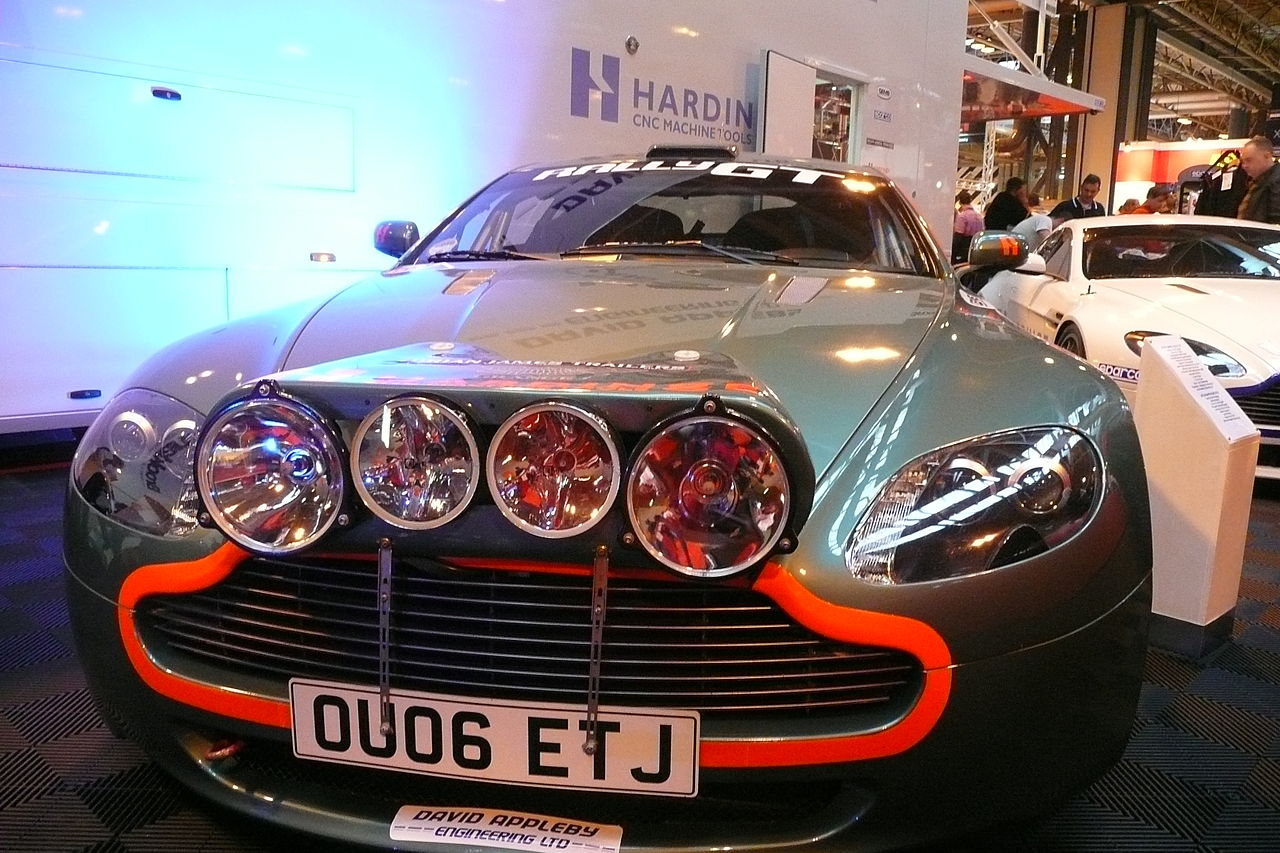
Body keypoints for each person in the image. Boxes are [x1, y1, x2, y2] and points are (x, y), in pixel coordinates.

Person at [1237, 135, 1280, 224]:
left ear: (1267, 156)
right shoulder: (1257, 182)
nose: (1244, 166)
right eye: (1243, 161)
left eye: (1249, 160)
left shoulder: (1276, 182)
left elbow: (1276, 221)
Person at [952, 190, 984, 262]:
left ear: (960, 202)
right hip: (976, 249)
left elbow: (958, 236)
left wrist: (953, 253)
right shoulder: (979, 216)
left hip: (964, 249)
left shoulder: (962, 216)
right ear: (970, 200)